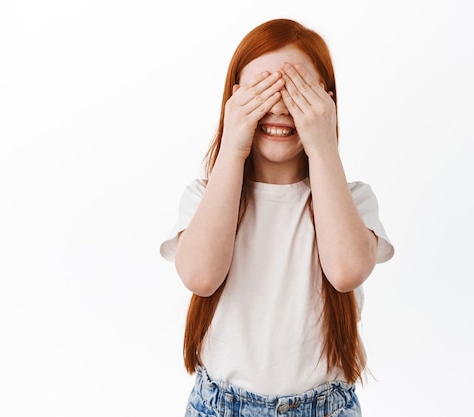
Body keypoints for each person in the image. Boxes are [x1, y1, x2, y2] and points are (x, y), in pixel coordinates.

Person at [160, 18, 394, 417]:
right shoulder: (204, 198)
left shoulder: (353, 201)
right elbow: (199, 276)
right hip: (219, 407)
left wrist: (322, 146)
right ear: (233, 99)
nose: (280, 106)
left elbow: (346, 270)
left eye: (298, 90)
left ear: (327, 103)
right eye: (262, 89)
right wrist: (233, 147)